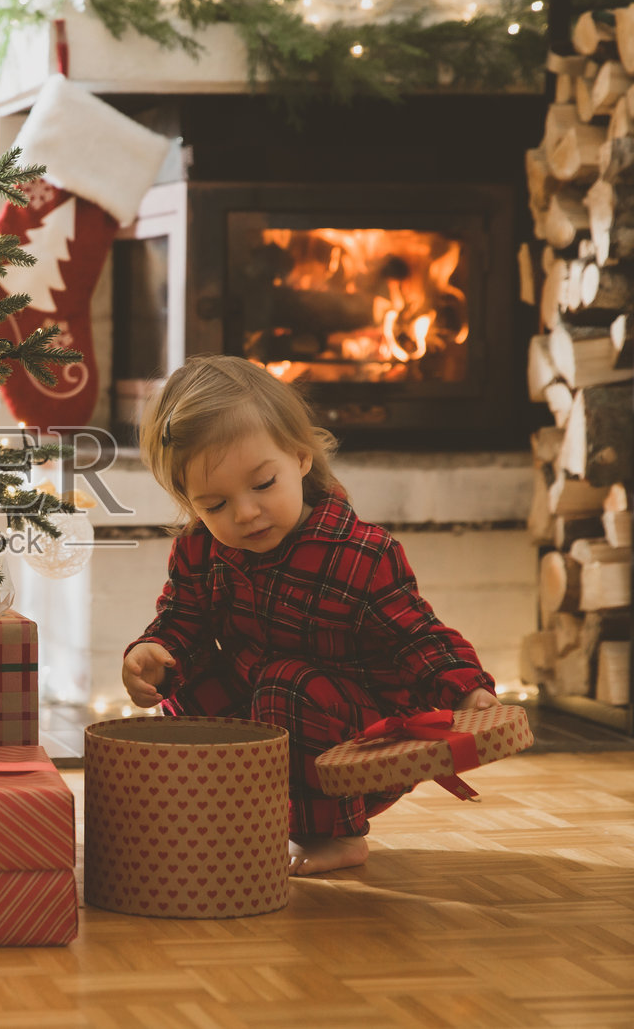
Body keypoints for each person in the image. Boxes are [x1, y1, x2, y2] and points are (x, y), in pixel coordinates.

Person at [121, 355, 498, 876]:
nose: (245, 513)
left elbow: (417, 635)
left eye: (261, 485)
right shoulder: (199, 551)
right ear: (191, 503)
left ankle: (335, 835)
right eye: (215, 504)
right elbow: (182, 619)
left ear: (300, 457)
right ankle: (242, 815)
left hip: (362, 744)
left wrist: (466, 688)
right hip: (271, 726)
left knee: (286, 683)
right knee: (192, 679)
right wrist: (156, 653)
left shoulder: (360, 553)